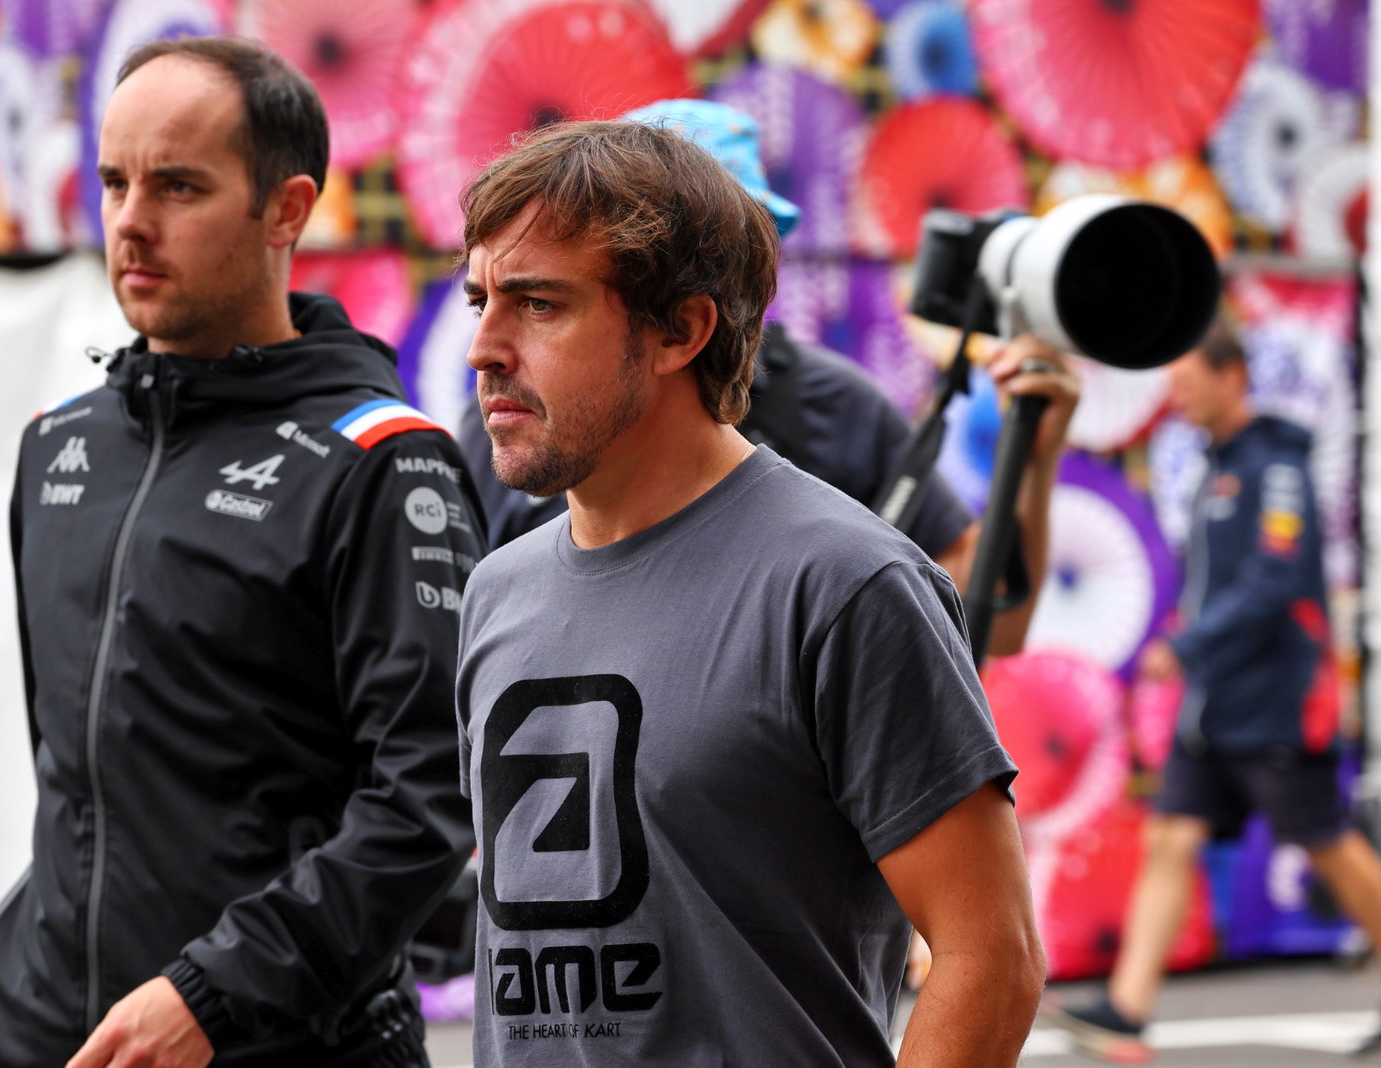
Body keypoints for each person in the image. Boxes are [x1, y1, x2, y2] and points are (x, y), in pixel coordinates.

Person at [453, 118, 1046, 1065]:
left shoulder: (847, 583)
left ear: (681, 330)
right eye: (480, 298)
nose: (483, 346)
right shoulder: (494, 595)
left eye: (538, 304)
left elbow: (993, 955)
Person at [0, 37, 481, 1068]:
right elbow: (78, 773)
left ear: (287, 210)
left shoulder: (384, 464)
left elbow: (432, 802)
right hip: (60, 1040)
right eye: (114, 181)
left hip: (281, 1045)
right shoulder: (57, 445)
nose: (131, 222)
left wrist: (214, 994)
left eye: (178, 186)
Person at [457, 97, 1082, 658]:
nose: (720, 267)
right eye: (681, 243)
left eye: (743, 238)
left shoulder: (835, 405)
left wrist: (1032, 451)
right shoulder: (511, 423)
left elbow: (991, 621)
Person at [1043, 324, 1381, 1064]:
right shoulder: (1212, 465)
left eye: (1191, 380)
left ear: (1234, 377)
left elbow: (1275, 577)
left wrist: (1186, 644)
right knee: (1172, 836)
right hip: (1214, 705)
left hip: (1276, 701)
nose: (1179, 394)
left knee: (1327, 845)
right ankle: (1128, 1013)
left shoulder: (1275, 467)